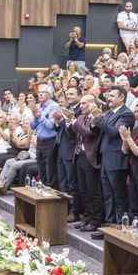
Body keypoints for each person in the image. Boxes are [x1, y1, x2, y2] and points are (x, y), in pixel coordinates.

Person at [92, 85, 135, 224]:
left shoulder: (126, 114)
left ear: (122, 97)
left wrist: (99, 118)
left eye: (112, 96)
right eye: (108, 95)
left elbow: (114, 132)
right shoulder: (110, 112)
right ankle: (109, 224)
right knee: (107, 194)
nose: (108, 98)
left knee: (118, 195)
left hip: (117, 160)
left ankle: (119, 226)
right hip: (105, 157)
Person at [69, 95, 104, 236]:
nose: (81, 106)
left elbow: (88, 133)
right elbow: (74, 135)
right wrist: (69, 125)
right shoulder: (82, 117)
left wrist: (73, 123)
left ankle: (95, 220)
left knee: (93, 190)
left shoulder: (97, 117)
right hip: (79, 155)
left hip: (91, 157)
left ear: (92, 104)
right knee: (82, 189)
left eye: (84, 103)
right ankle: (86, 217)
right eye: (81, 103)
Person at [30, 84, 62, 188]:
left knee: (50, 170)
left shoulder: (54, 106)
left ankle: (51, 194)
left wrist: (41, 116)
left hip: (50, 141)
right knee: (41, 167)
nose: (39, 95)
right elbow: (32, 126)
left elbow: (51, 126)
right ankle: (42, 190)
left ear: (49, 94)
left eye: (42, 93)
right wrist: (35, 117)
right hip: (40, 140)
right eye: (39, 93)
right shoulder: (39, 106)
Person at [56, 87, 80, 220]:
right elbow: (60, 129)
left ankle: (74, 211)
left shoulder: (79, 110)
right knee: (63, 182)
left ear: (79, 95)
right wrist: (58, 121)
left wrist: (69, 120)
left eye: (72, 94)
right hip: (61, 148)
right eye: (67, 94)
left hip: (71, 150)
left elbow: (75, 133)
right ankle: (63, 209)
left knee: (72, 183)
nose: (69, 96)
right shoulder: (67, 109)